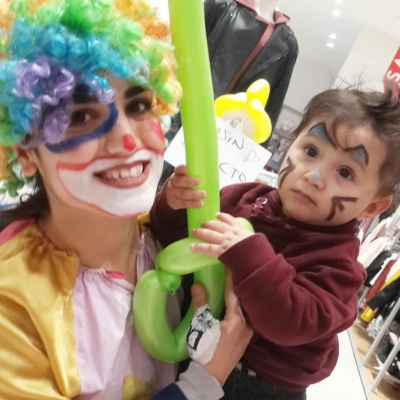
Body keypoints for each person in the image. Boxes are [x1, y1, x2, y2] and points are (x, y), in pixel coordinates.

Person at [0, 0, 252, 399]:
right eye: (80, 116)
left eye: (138, 105)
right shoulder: (12, 300)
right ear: (26, 153)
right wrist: (204, 383)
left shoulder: (166, 235)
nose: (129, 142)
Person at [150, 83, 400, 399]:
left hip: (258, 385)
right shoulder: (238, 198)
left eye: (345, 172)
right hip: (195, 348)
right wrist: (173, 205)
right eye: (311, 151)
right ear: (289, 145)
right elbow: (176, 245)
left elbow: (290, 321)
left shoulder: (339, 267)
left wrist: (248, 253)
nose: (314, 176)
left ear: (372, 207)